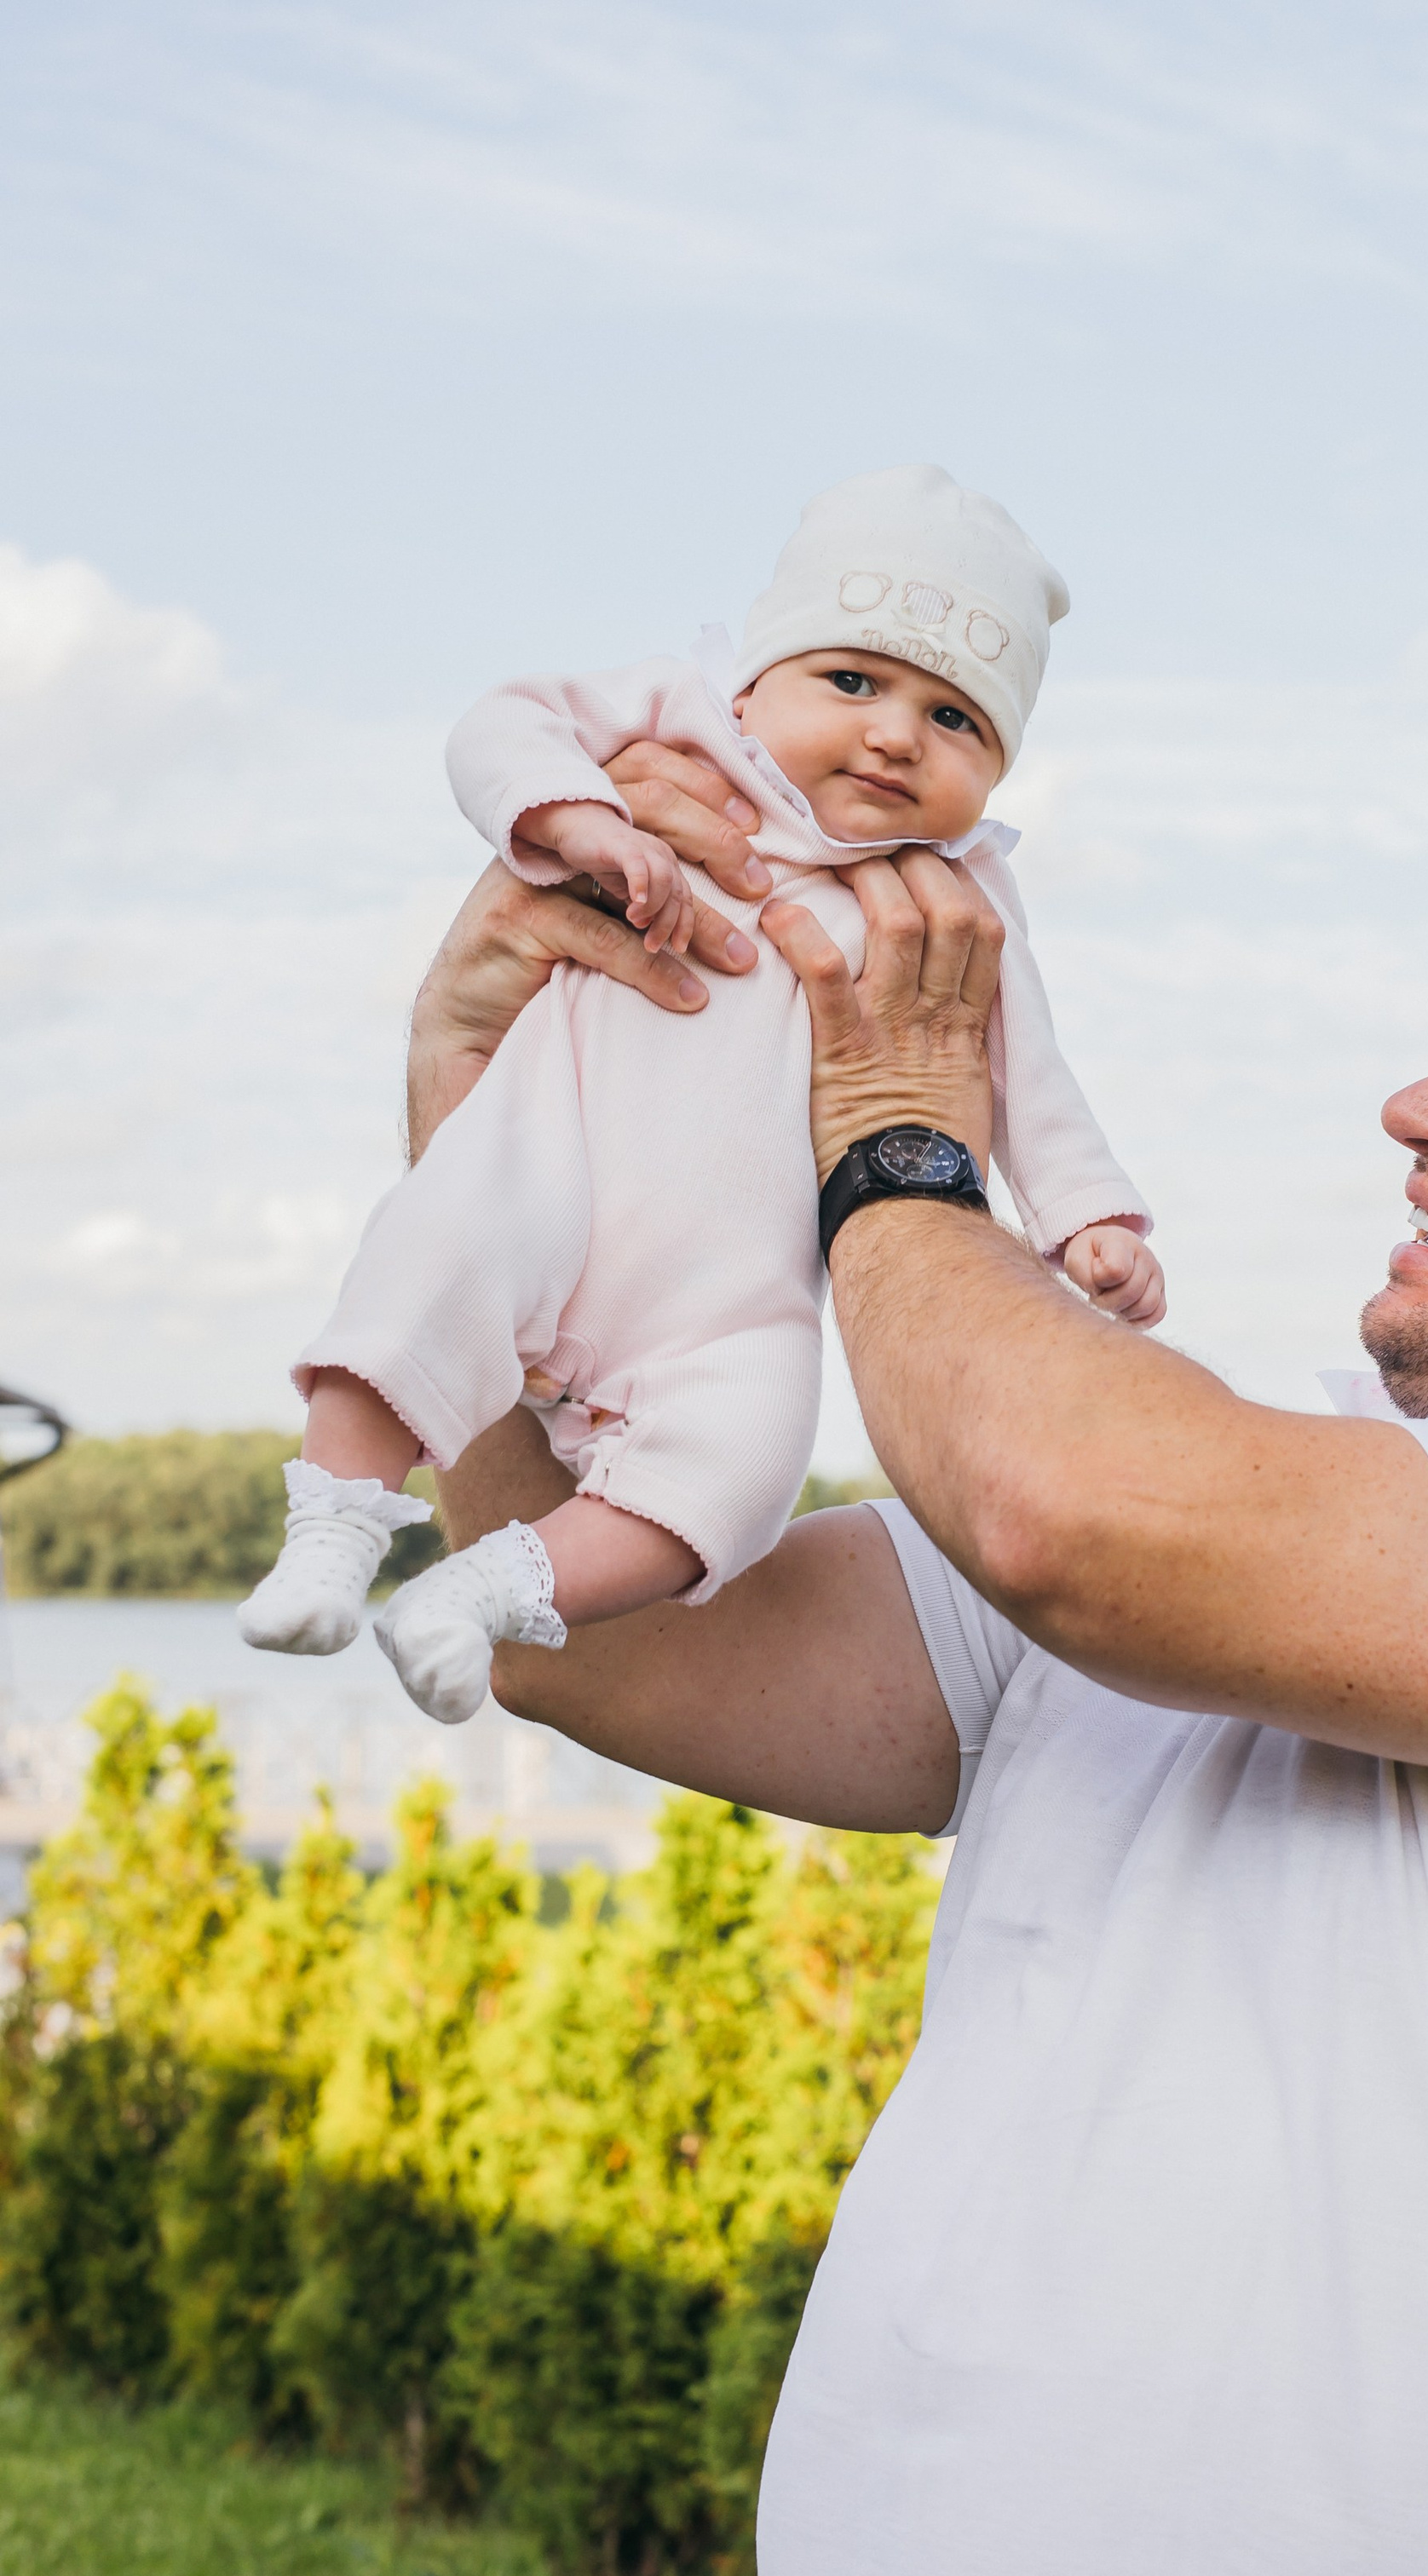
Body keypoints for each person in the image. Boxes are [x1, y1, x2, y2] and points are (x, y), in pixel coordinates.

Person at [423, 806, 1428, 2576]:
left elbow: (1058, 1508)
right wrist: (484, 1141)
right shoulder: (1248, 1521)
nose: (1422, 1105)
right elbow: (587, 1641)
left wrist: (899, 1124)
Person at [236, 463, 1159, 1724]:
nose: (898, 734)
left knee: (750, 1455)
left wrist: (1088, 1215)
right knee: (426, 1260)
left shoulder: (962, 901)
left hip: (731, 1291)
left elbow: (1029, 1072)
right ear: (753, 683)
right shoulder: (681, 735)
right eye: (853, 682)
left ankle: (488, 1589)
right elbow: (503, 723)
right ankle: (333, 1533)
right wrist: (582, 822)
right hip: (547, 1170)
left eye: (958, 719)